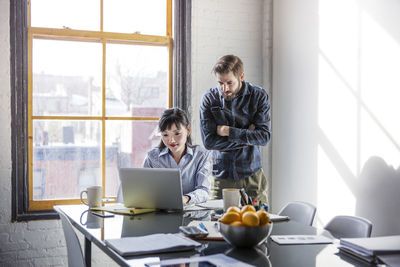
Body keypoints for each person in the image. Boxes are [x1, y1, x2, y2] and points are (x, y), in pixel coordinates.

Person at [200, 54, 271, 204]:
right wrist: (248, 133)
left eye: (229, 83)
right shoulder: (209, 99)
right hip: (221, 177)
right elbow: (209, 142)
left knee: (258, 222)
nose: (224, 89)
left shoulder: (258, 96)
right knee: (217, 224)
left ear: (241, 76)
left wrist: (227, 131)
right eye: (220, 83)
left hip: (253, 176)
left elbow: (263, 137)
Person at [143, 108, 212, 205]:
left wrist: (186, 198)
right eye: (165, 135)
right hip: (161, 213)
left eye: (177, 133)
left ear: (188, 130)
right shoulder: (152, 157)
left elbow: (204, 191)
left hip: (194, 215)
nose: (171, 140)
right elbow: (144, 190)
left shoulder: (202, 156)